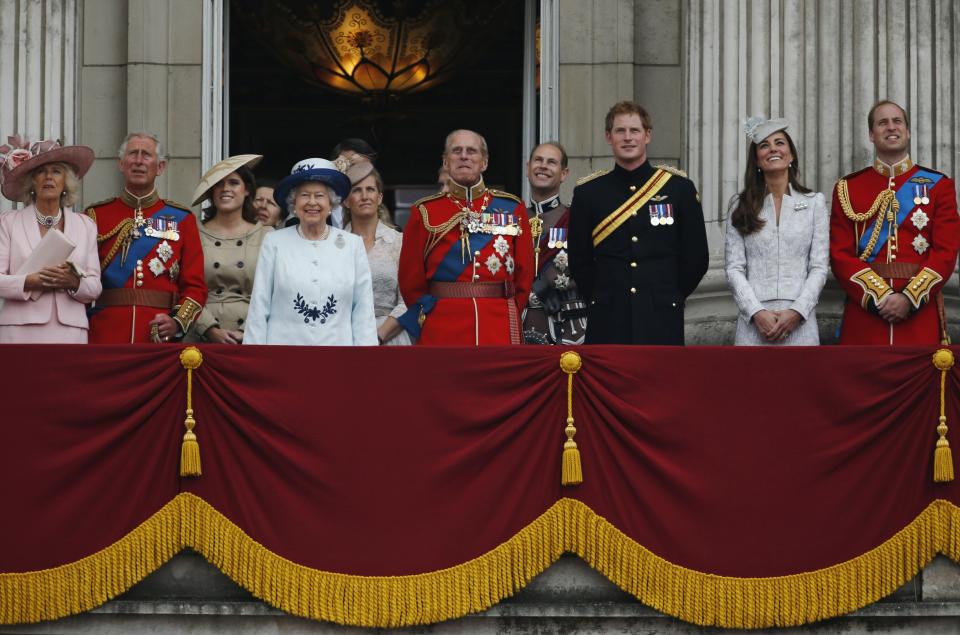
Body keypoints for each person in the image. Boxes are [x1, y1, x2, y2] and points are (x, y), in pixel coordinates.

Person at [568, 101, 708, 345]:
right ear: (608, 137)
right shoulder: (588, 193)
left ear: (647, 136)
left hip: (662, 314)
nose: (628, 138)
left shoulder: (679, 189)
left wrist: (669, 295)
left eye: (635, 131)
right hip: (608, 316)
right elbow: (579, 260)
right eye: (620, 131)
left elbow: (696, 257)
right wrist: (603, 296)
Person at [830, 100, 960, 345]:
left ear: (907, 131)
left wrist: (909, 298)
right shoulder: (847, 188)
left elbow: (945, 252)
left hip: (918, 316)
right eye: (882, 123)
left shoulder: (939, 186)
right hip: (866, 316)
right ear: (871, 134)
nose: (891, 127)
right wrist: (879, 297)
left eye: (897, 121)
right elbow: (840, 255)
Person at [398, 129, 534, 345]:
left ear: (484, 162)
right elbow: (410, 281)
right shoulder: (424, 211)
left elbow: (525, 273)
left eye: (472, 151)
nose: (464, 156)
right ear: (445, 162)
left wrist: (510, 310)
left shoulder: (512, 208)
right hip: (442, 326)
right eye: (456, 151)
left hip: (498, 324)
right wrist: (429, 316)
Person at [85, 132, 206, 343]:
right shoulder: (95, 216)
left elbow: (195, 287)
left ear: (160, 167)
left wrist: (177, 321)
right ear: (121, 164)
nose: (139, 161)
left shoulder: (183, 219)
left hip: (157, 335)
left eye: (146, 155)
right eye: (133, 154)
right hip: (105, 333)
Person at [244, 157, 377, 345]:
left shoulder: (352, 245)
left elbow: (363, 311)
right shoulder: (274, 242)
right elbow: (259, 305)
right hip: (283, 356)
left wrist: (366, 362)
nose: (312, 202)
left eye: (320, 195)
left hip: (337, 356)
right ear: (294, 204)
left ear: (331, 204)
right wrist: (255, 360)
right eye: (305, 195)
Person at [724, 117, 829, 345]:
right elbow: (734, 268)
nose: (773, 149)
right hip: (754, 324)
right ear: (757, 161)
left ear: (791, 155)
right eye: (764, 145)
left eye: (779, 143)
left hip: (801, 322)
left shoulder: (814, 203)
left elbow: (819, 267)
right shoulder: (739, 205)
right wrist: (756, 312)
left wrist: (797, 312)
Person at [0, 137, 101, 343]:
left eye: (56, 171)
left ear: (66, 182)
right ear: (31, 183)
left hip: (70, 331)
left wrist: (73, 282)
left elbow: (95, 287)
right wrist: (31, 281)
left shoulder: (85, 225)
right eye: (40, 171)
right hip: (19, 330)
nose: (48, 177)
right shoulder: (8, 222)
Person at [186, 154, 273, 344]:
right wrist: (208, 328)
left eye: (233, 182)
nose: (225, 189)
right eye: (218, 184)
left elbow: (274, 291)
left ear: (248, 190)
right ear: (211, 192)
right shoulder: (191, 232)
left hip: (251, 337)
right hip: (200, 336)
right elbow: (183, 288)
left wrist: (247, 330)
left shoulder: (267, 235)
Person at [523, 141, 587, 344]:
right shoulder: (512, 219)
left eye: (551, 162)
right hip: (520, 326)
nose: (543, 166)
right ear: (528, 168)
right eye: (538, 160)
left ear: (564, 173)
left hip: (568, 326)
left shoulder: (577, 219)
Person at [343, 162, 412, 345]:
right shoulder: (334, 245)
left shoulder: (400, 242)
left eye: (370, 189)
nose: (365, 196)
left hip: (389, 337)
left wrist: (378, 336)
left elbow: (408, 300)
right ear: (345, 201)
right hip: (344, 337)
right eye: (357, 190)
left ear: (380, 197)